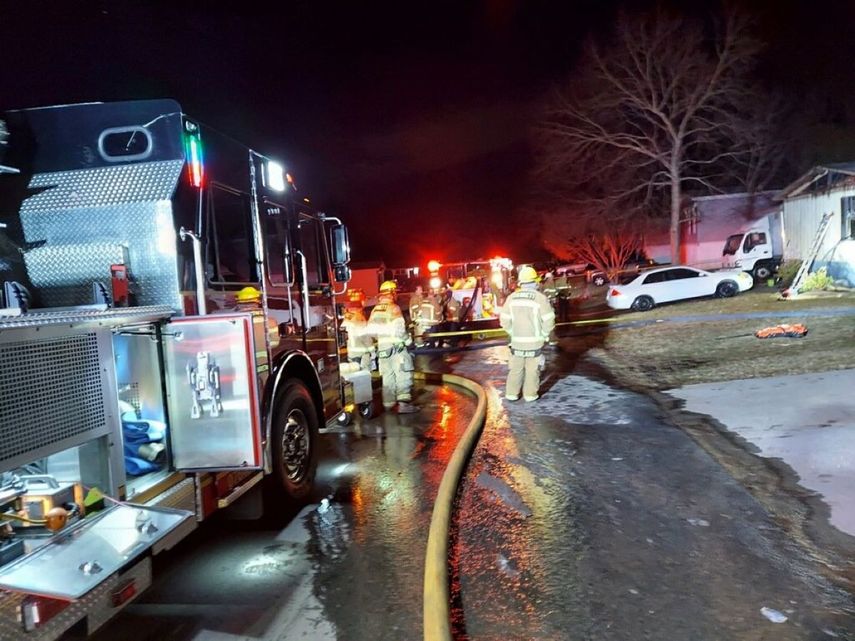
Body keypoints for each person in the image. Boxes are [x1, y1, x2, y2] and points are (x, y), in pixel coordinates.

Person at [499, 265, 555, 402]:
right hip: (534, 344)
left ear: (521, 283)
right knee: (532, 370)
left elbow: (504, 321)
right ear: (535, 282)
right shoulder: (540, 298)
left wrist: (513, 333)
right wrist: (543, 335)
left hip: (516, 343)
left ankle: (511, 394)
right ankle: (530, 395)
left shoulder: (511, 298)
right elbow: (549, 320)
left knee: (515, 369)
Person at [366, 280, 419, 413]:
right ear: (392, 293)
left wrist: (382, 339)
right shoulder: (393, 308)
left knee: (387, 376)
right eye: (395, 292)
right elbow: (400, 330)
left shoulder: (375, 310)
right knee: (403, 372)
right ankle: (403, 404)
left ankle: (389, 403)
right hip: (397, 347)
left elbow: (370, 331)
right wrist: (408, 341)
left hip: (383, 348)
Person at [341, 289, 374, 371]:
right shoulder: (359, 317)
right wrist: (372, 352)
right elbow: (365, 337)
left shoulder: (346, 316)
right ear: (361, 301)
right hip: (362, 354)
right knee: (364, 377)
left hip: (351, 354)